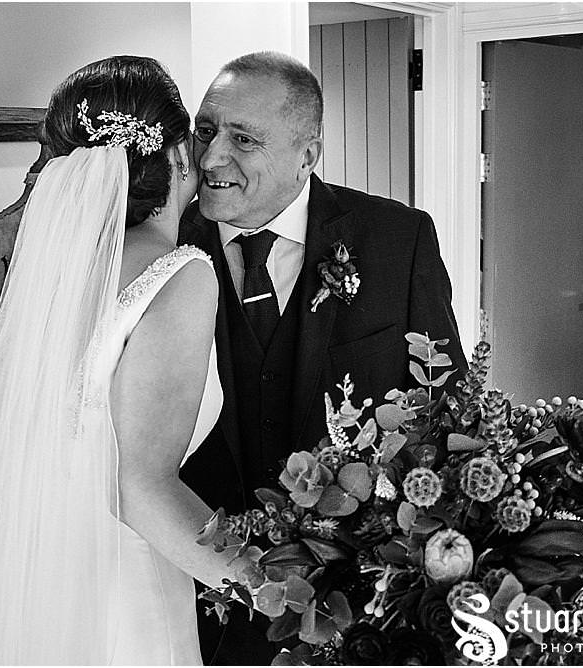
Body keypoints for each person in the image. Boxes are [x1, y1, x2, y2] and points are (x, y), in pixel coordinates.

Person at [0, 55, 242, 665]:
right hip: (121, 598)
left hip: (29, 588)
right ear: (175, 158)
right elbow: (138, 487)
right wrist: (272, 583)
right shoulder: (180, 274)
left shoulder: (48, 273)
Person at [177, 51, 468, 665]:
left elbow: (448, 405)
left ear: (307, 155)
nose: (209, 158)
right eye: (205, 130)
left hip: (349, 596)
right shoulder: (164, 241)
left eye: (243, 139)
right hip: (192, 585)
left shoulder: (397, 239)